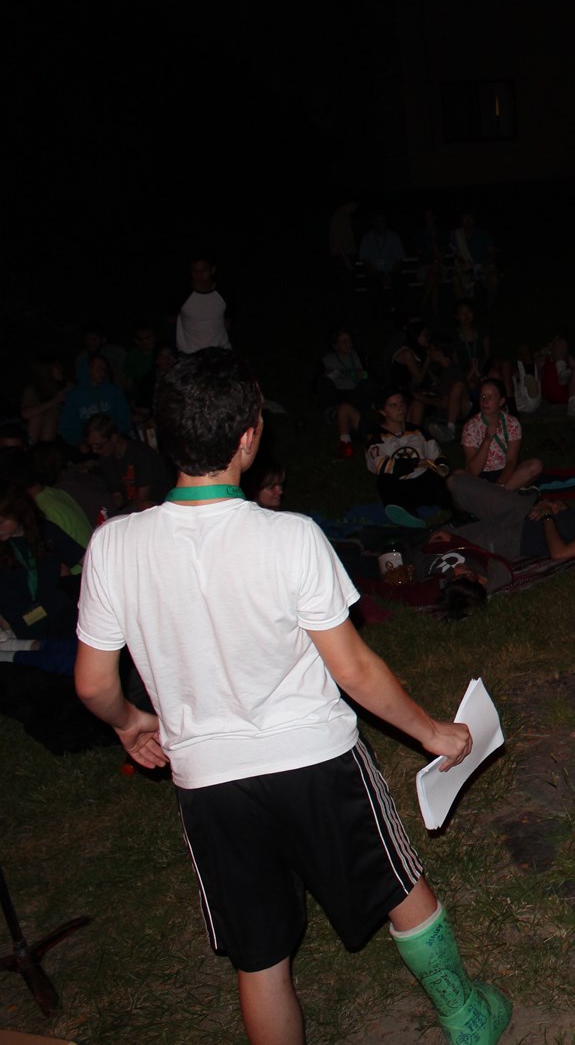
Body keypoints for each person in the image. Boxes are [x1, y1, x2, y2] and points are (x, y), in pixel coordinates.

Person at [72, 349, 510, 1044]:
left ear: (162, 436)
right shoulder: (291, 536)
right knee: (398, 885)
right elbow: (353, 669)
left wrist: (130, 723)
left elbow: (94, 684)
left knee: (261, 956)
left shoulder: (112, 547)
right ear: (249, 436)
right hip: (316, 761)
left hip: (210, 782)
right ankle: (468, 1018)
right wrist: (432, 732)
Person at [443, 457, 575, 561]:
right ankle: (468, 516)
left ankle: (469, 524)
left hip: (520, 536)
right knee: (456, 481)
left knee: (445, 541)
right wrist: (558, 508)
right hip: (524, 508)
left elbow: (560, 553)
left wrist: (547, 516)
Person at [0, 480, 84, 641]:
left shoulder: (46, 532)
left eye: (2, 522)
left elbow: (85, 560)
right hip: (22, 631)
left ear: (19, 513)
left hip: (60, 619)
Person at [366, 390, 451, 516]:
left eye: (402, 403)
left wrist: (441, 465)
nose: (400, 408)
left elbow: (436, 455)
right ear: (383, 412)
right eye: (393, 405)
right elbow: (381, 465)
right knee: (384, 481)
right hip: (399, 484)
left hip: (423, 480)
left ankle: (458, 509)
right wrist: (416, 463)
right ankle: (405, 514)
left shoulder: (418, 431)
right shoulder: (376, 436)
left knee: (445, 482)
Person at [460, 378, 541, 491]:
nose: (485, 401)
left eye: (490, 397)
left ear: (501, 401)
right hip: (480, 476)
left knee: (535, 465)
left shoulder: (512, 423)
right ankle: (499, 495)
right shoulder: (470, 426)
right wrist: (487, 440)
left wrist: (500, 484)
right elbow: (473, 470)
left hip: (504, 474)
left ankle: (497, 493)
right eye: (483, 396)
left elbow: (511, 461)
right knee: (457, 477)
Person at [85, 414, 173, 513]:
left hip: (159, 506)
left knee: (145, 505)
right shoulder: (106, 458)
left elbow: (142, 498)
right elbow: (117, 496)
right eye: (92, 447)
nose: (95, 451)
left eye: (99, 446)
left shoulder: (140, 454)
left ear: (113, 438)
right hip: (132, 508)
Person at [321, 330, 374, 458]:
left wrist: (362, 374)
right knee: (325, 384)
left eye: (349, 340)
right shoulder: (327, 359)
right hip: (339, 393)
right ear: (335, 345)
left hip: (355, 392)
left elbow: (365, 374)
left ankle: (353, 421)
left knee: (369, 385)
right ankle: (337, 416)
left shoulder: (355, 356)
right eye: (344, 341)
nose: (349, 343)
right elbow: (324, 380)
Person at [59, 355, 133, 447]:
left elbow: (124, 417)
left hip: (112, 439)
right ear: (88, 369)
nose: (102, 372)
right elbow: (68, 425)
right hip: (86, 443)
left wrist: (116, 435)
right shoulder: (74, 396)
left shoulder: (114, 391)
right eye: (98, 369)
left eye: (104, 369)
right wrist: (79, 442)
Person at [175, 257, 230, 354]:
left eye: (203, 271)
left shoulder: (224, 292)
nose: (199, 275)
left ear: (212, 270)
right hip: (191, 353)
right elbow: (171, 321)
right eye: (195, 271)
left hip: (220, 351)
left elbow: (229, 321)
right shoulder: (181, 294)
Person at [19, 355, 67, 446]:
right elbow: (25, 414)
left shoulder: (66, 387)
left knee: (50, 415)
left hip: (62, 431)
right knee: (36, 417)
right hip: (39, 433)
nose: (61, 369)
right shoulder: (33, 389)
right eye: (57, 367)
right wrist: (54, 401)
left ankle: (45, 449)